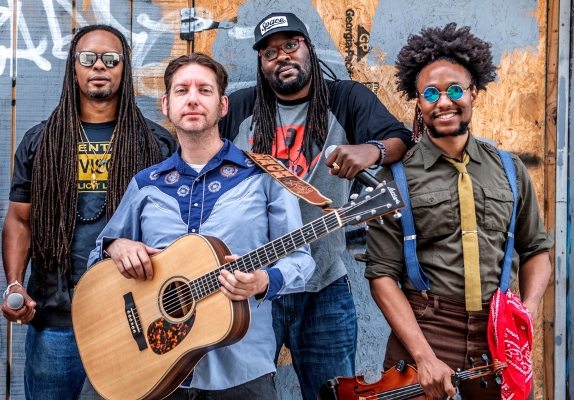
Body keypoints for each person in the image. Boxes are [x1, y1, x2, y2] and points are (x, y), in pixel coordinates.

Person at [87, 52, 313, 398]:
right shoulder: (146, 184)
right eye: (182, 90)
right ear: (166, 104)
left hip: (243, 370)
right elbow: (97, 261)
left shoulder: (265, 176)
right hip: (154, 370)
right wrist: (117, 247)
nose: (192, 98)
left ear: (222, 105)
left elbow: (302, 260)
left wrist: (264, 280)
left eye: (204, 90)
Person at [218, 12, 413, 398]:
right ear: (261, 62)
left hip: (324, 285)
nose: (282, 57)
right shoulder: (240, 108)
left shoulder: (345, 98)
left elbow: (399, 138)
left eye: (291, 45)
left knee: (334, 394)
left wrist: (370, 149)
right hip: (249, 291)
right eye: (270, 52)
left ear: (307, 47)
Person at [362, 23, 552, 399]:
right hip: (425, 331)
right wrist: (424, 356)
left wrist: (526, 313)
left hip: (498, 335)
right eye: (430, 93)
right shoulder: (393, 178)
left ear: (473, 94)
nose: (443, 101)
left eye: (454, 90)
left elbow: (536, 251)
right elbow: (381, 275)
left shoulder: (510, 169)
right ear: (418, 102)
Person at [0, 24, 175, 399]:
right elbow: (19, 219)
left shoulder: (156, 144)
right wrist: (15, 282)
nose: (99, 66)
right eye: (88, 58)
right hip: (57, 318)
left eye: (111, 59)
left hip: (133, 316)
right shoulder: (40, 142)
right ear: (73, 67)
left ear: (124, 69)